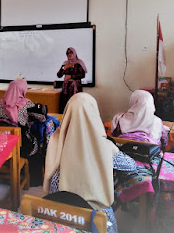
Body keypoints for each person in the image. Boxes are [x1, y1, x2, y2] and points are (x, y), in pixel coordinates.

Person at [44, 93, 135, 233]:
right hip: (97, 218)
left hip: (61, 215)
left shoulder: (56, 143)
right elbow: (131, 166)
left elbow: (52, 188)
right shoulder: (105, 147)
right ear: (94, 115)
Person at [57, 47, 87, 112]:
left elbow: (82, 75)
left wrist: (71, 77)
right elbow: (59, 75)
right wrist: (64, 67)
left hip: (75, 89)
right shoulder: (65, 63)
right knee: (66, 107)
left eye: (71, 53)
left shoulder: (79, 63)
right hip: (66, 89)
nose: (69, 54)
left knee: (75, 107)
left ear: (75, 53)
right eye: (67, 53)